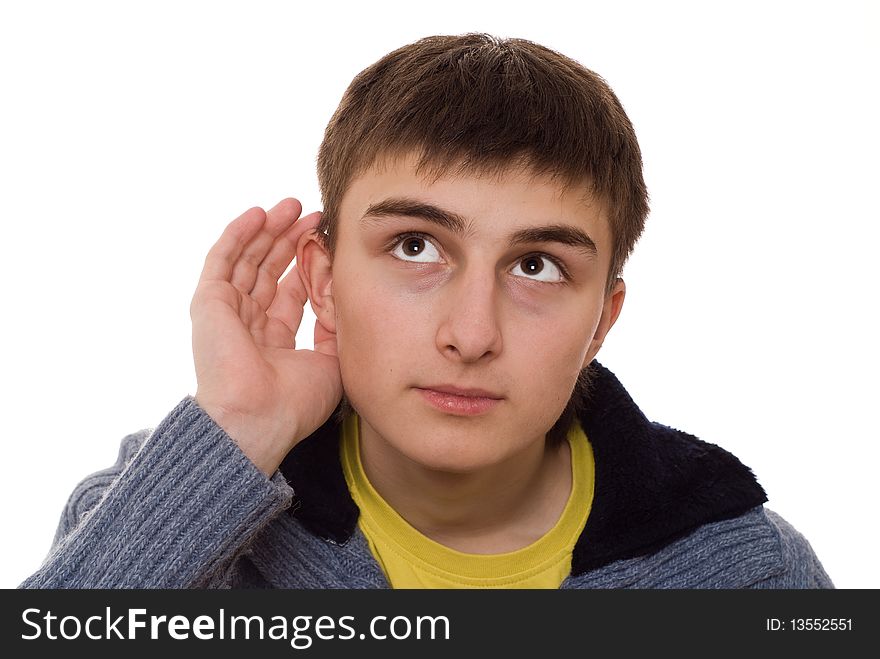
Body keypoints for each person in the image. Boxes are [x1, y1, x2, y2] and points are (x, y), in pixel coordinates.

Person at [21, 33, 831, 589]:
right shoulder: (161, 512)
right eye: (416, 247)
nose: (471, 334)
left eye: (537, 265)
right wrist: (236, 429)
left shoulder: (750, 570)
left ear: (603, 321)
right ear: (325, 278)